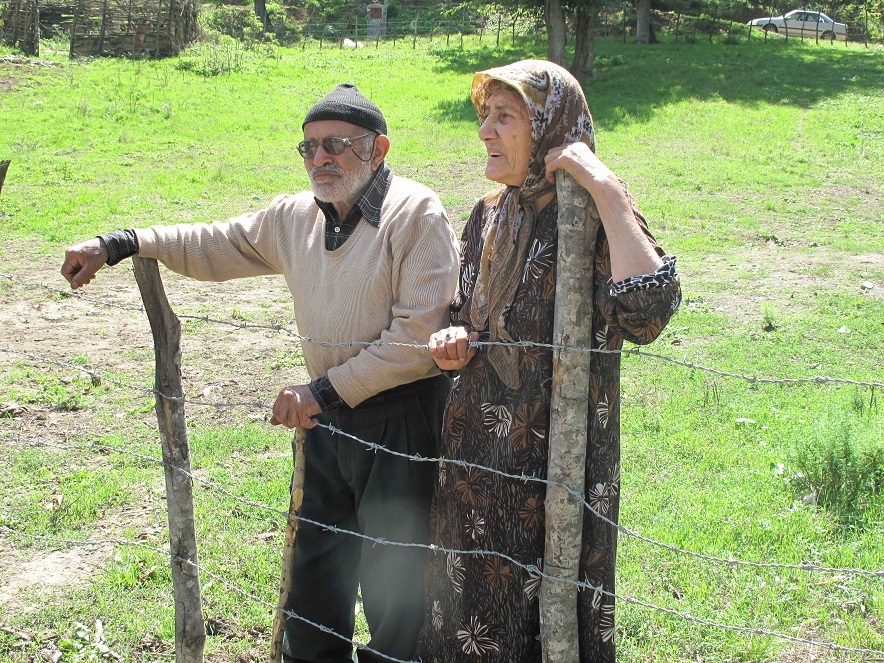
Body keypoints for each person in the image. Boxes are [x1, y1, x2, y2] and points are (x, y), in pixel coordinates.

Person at [61, 83, 460, 663]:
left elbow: (418, 341)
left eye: (336, 146)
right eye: (309, 148)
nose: (319, 159)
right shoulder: (295, 216)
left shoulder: (415, 210)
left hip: (400, 419)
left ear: (378, 149)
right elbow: (217, 242)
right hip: (325, 422)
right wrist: (122, 243)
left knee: (394, 579)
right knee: (316, 568)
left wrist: (320, 391)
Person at [417, 60, 682, 662]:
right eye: (485, 115)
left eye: (505, 117)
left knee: (547, 615)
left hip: (555, 473)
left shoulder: (588, 216)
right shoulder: (489, 214)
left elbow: (648, 315)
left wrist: (606, 188)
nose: (485, 130)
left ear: (553, 127)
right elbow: (466, 310)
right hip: (474, 468)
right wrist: (451, 339)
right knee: (466, 612)